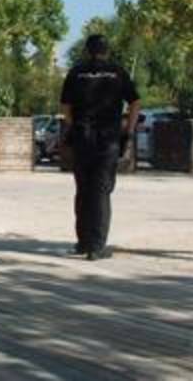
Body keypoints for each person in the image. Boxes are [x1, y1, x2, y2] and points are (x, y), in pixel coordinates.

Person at [60, 35, 141, 261]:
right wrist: (129, 129)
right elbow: (135, 101)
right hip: (108, 139)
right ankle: (96, 247)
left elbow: (65, 106)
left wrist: (73, 125)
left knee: (83, 189)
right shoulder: (118, 72)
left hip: (82, 137)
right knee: (101, 191)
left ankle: (83, 242)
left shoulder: (76, 72)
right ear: (107, 51)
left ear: (87, 51)